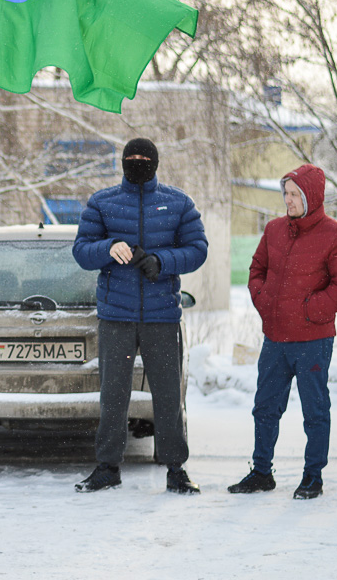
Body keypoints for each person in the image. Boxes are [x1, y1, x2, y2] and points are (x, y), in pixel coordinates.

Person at [72, 138, 207, 495]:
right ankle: (107, 467)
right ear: (121, 163)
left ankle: (176, 468)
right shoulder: (102, 203)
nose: (137, 162)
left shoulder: (178, 203)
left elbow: (198, 249)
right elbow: (81, 251)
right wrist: (108, 247)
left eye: (143, 158)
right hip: (116, 316)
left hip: (162, 316)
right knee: (113, 395)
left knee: (168, 395)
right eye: (130, 158)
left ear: (155, 163)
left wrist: (162, 261)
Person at [228, 164, 337, 500]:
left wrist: (309, 310)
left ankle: (313, 476)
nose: (288, 200)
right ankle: (261, 472)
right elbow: (257, 269)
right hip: (275, 339)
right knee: (265, 407)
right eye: (285, 193)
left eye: (295, 194)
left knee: (315, 410)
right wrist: (263, 299)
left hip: (313, 340)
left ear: (311, 196)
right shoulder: (273, 230)